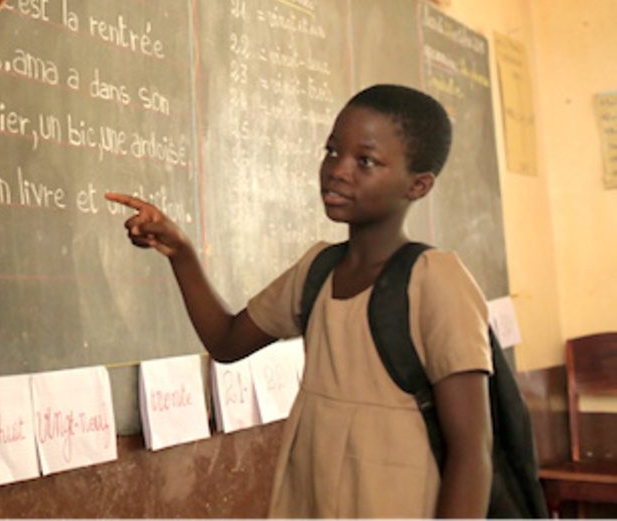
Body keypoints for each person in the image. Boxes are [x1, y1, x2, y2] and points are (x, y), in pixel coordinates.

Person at [108, 85, 492, 518]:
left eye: (365, 161)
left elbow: (471, 452)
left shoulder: (435, 280)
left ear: (418, 185)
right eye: (331, 152)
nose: (338, 171)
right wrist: (181, 254)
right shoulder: (318, 270)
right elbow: (227, 341)